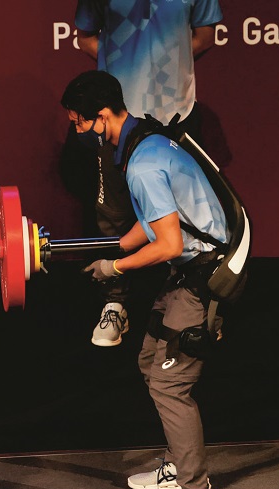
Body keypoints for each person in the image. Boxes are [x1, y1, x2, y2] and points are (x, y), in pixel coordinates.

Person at [64, 70, 229, 489]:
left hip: (201, 276)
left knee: (169, 385)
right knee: (149, 358)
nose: (76, 131)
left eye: (78, 122)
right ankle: (179, 464)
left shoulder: (139, 163)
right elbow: (150, 223)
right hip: (189, 272)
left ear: (101, 117)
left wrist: (114, 270)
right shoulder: (146, 141)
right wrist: (110, 250)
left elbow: (170, 244)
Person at [68, 0, 222, 347]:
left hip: (176, 114)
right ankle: (116, 304)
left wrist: (165, 69)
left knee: (177, 211)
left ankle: (186, 299)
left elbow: (205, 36)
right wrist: (123, 73)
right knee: (114, 213)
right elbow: (86, 37)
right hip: (120, 117)